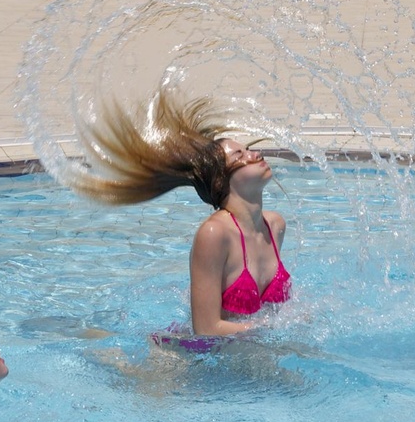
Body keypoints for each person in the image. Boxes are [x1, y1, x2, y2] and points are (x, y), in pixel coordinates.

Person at [68, 89, 291, 336]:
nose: (255, 154)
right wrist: (270, 330)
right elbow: (206, 329)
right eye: (240, 155)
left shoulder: (275, 226)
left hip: (248, 351)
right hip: (195, 354)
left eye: (248, 149)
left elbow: (270, 312)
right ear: (221, 180)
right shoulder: (215, 233)